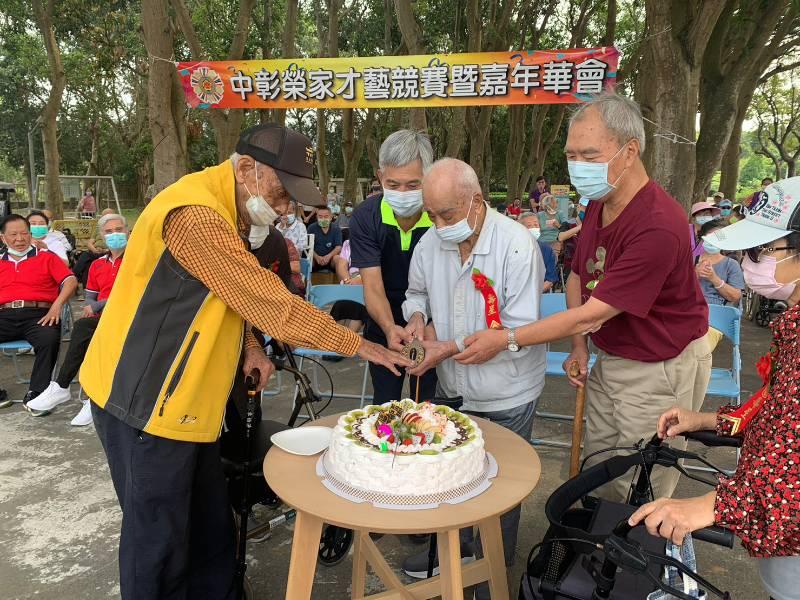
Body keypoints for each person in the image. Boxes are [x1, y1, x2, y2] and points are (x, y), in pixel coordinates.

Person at [78, 123, 411, 600]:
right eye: (280, 193)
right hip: (146, 401)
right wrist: (363, 346)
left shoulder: (231, 212)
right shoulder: (195, 215)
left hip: (194, 403)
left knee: (212, 526)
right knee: (159, 540)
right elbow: (268, 301)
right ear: (248, 168)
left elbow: (230, 298)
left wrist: (252, 346)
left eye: (292, 199)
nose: (283, 209)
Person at [455, 93, 711, 501]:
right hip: (612, 355)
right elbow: (578, 273)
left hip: (659, 363)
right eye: (571, 154)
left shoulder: (658, 224)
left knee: (641, 479)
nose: (577, 166)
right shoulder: (599, 201)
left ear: (630, 152)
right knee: (601, 466)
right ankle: (596, 553)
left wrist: (505, 338)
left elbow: (590, 315)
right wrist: (578, 346)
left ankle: (642, 559)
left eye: (589, 154)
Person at [630, 178, 800, 600]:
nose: (749, 262)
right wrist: (708, 420)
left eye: (762, 251)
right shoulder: (792, 326)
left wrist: (714, 505)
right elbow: (782, 415)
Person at [400, 159, 546, 596]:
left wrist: (446, 346)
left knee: (498, 486)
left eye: (447, 214)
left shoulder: (517, 246)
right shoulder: (430, 243)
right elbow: (416, 292)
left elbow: (518, 326)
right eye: (431, 214)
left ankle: (493, 572)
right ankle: (458, 556)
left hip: (506, 389)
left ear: (476, 202)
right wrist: (419, 321)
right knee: (455, 472)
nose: (439, 224)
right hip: (451, 383)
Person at [349, 129, 438, 403]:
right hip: (382, 321)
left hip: (434, 326)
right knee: (385, 406)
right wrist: (389, 328)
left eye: (413, 186)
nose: (403, 193)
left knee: (428, 406)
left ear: (430, 177)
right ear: (380, 177)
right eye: (393, 184)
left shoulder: (442, 216)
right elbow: (372, 286)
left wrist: (428, 325)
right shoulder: (366, 217)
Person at [25, 213, 129, 424]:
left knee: (87, 330)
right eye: (109, 232)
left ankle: (71, 390)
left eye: (119, 230)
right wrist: (90, 305)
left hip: (128, 316)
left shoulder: (138, 260)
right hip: (102, 319)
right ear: (102, 235)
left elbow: (130, 293)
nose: (115, 234)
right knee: (87, 331)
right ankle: (82, 394)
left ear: (128, 231)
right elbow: (90, 294)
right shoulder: (98, 264)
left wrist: (96, 305)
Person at [0, 214, 77, 409]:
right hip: (4, 315)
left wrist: (56, 305)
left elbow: (70, 281)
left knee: (48, 339)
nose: (20, 239)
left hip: (39, 314)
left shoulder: (46, 257)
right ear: (3, 237)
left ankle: (38, 392)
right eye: (13, 234)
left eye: (24, 233)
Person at [330, 239, 368, 333]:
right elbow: (342, 266)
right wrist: (348, 281)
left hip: (368, 284)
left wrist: (360, 280)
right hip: (350, 283)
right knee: (341, 305)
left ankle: (348, 339)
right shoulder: (348, 243)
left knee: (358, 305)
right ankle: (337, 339)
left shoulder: (377, 242)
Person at [72, 208, 116, 285]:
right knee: (87, 262)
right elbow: (90, 243)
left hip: (109, 252)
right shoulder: (98, 228)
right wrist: (94, 249)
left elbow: (118, 244)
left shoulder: (117, 229)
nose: (107, 218)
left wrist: (105, 250)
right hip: (95, 251)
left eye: (109, 216)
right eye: (104, 217)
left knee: (87, 262)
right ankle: (77, 278)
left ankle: (74, 276)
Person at [520, 211, 559, 292]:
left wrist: (535, 293)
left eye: (536, 225)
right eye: (529, 226)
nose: (533, 228)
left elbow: (550, 279)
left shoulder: (546, 250)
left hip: (539, 292)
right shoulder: (511, 249)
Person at [558, 196, 588, 278]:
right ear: (578, 206)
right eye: (585, 207)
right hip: (571, 264)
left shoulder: (595, 223)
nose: (588, 210)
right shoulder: (568, 223)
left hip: (589, 264)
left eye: (590, 208)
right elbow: (561, 237)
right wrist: (579, 227)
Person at [307, 206, 342, 271]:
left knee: (338, 258)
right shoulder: (311, 228)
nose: (323, 219)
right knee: (307, 259)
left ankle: (341, 280)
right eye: (320, 216)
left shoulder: (336, 229)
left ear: (331, 217)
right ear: (317, 217)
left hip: (331, 259)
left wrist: (328, 256)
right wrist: (316, 257)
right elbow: (308, 247)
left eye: (326, 216)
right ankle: (307, 280)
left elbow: (338, 246)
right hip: (315, 259)